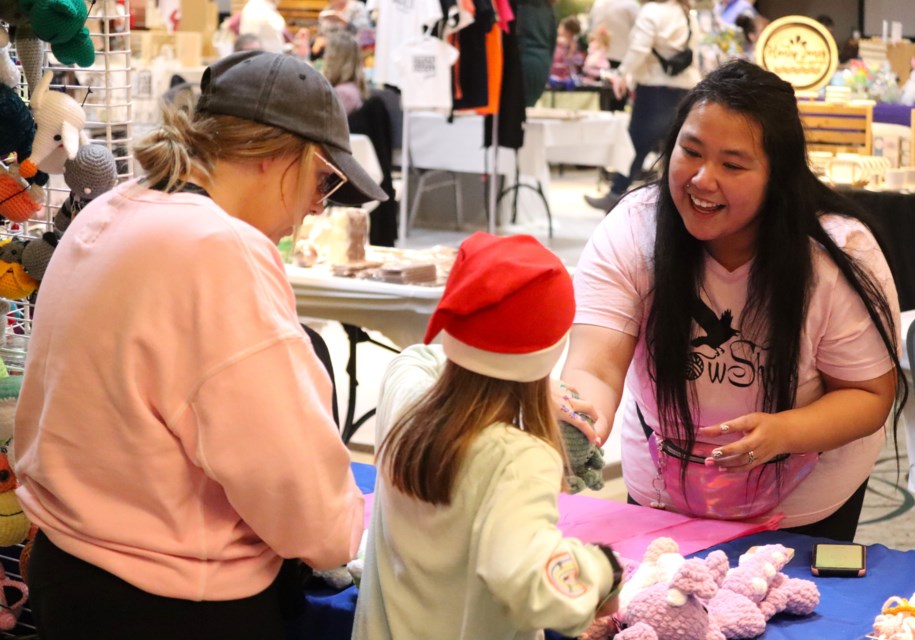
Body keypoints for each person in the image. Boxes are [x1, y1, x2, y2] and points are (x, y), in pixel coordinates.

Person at [14, 50, 387, 639]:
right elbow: (305, 501)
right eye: (323, 180)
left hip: (70, 572)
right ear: (275, 156)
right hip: (174, 601)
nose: (317, 206)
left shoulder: (109, 209)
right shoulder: (218, 250)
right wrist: (344, 529)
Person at [562, 60, 906, 542]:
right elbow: (595, 368)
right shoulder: (635, 229)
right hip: (664, 483)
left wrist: (784, 433)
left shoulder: (837, 253)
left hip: (804, 495)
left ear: (778, 177)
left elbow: (869, 395)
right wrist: (579, 420)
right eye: (691, 151)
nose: (702, 179)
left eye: (733, 164)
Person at [353, 232, 622, 639]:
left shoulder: (405, 400)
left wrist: (508, 366)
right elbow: (531, 585)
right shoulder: (519, 458)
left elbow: (421, 358)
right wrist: (601, 569)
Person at [585, 0, 699, 213]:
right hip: (685, 87)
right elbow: (694, 52)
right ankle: (674, 202)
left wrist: (621, 73)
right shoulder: (687, 14)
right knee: (676, 148)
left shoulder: (651, 12)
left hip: (654, 87)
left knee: (636, 143)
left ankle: (615, 194)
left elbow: (639, 48)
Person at [516, 0, 558, 107]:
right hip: (542, 64)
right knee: (526, 109)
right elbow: (552, 41)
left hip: (520, 60)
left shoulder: (519, 5)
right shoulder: (548, 8)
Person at [322, 30, 368, 116]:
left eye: (327, 52)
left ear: (336, 59)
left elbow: (322, 125)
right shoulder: (351, 88)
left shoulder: (343, 94)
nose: (325, 57)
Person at [549, 15, 585, 87]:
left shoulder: (565, 42)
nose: (558, 29)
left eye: (560, 27)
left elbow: (570, 59)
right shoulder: (573, 42)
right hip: (560, 72)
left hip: (563, 73)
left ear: (567, 31)